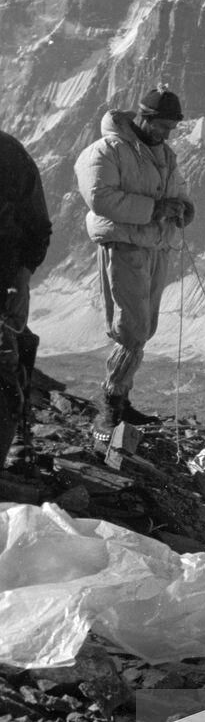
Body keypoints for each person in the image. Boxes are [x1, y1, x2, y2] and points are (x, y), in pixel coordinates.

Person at [75, 85, 195, 442]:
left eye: (170, 127)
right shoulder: (107, 150)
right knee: (132, 325)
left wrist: (181, 209)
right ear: (143, 117)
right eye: (161, 125)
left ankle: (122, 398)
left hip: (155, 245)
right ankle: (110, 403)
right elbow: (100, 197)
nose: (165, 133)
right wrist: (155, 209)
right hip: (124, 243)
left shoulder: (165, 155)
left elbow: (179, 189)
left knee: (145, 325)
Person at [0, 130, 52, 471]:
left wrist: (21, 272)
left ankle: (16, 435)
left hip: (5, 273)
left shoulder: (9, 155)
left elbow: (37, 225)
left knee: (8, 359)